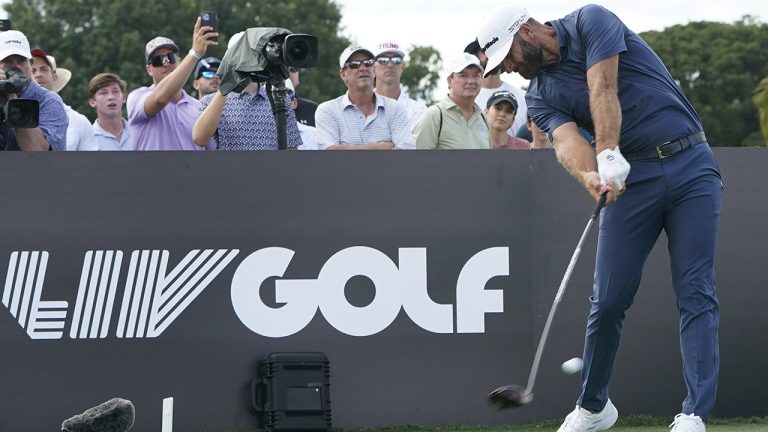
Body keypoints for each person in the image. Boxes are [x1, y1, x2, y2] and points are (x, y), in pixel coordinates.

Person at [478, 5, 722, 432]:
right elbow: (566, 139)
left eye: (510, 57)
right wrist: (591, 173)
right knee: (607, 300)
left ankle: (694, 413)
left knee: (695, 291)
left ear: (528, 31)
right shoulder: (537, 94)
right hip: (631, 181)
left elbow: (602, 84)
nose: (511, 70)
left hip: (690, 165)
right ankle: (594, 407)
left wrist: (608, 152)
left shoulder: (592, 21)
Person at [127, 17, 217, 151]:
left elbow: (213, 153)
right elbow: (160, 99)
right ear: (149, 69)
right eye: (158, 60)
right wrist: (195, 54)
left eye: (170, 57)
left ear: (179, 62)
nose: (166, 63)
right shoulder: (137, 97)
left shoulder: (199, 107)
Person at [315, 44, 413, 150]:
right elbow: (330, 154)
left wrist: (345, 148)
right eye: (355, 64)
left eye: (367, 63)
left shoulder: (396, 108)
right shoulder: (328, 111)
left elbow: (405, 154)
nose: (363, 68)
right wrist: (381, 147)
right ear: (343, 75)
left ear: (374, 70)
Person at [0, 30, 67, 152]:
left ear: (30, 63)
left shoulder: (48, 101)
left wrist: (11, 97)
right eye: (7, 61)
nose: (16, 67)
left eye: (21, 60)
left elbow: (38, 153)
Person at [412, 53, 489, 150]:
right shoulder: (434, 115)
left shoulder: (483, 118)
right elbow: (417, 161)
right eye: (463, 75)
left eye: (476, 75)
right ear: (450, 81)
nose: (471, 81)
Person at [30, 48, 97, 151]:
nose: (38, 74)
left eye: (44, 69)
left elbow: (90, 164)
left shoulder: (79, 121)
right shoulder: (13, 117)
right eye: (32, 70)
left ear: (54, 77)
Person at [465, 39, 527, 136]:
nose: (491, 54)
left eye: (496, 49)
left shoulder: (523, 98)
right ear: (476, 56)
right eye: (485, 50)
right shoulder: (465, 99)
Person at [372, 39, 426, 130]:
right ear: (373, 67)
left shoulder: (419, 111)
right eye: (383, 60)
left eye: (396, 60)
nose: (390, 65)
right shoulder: (358, 108)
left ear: (403, 67)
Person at [88, 73, 134, 151]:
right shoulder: (88, 139)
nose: (111, 97)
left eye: (115, 91)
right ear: (92, 102)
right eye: (103, 93)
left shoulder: (138, 132)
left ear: (124, 98)